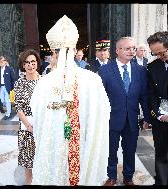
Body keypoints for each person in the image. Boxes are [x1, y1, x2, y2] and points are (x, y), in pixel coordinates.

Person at [30, 15, 111, 186]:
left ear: (54, 53)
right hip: (83, 144)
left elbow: (36, 117)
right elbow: (103, 115)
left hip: (54, 147)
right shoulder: (92, 79)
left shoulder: (44, 82)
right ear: (74, 50)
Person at [98, 37, 150, 186]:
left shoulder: (140, 70)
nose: (132, 51)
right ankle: (111, 176)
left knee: (130, 150)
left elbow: (143, 95)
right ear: (117, 50)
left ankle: (128, 177)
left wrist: (146, 117)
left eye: (133, 48)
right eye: (127, 48)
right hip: (111, 119)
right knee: (111, 150)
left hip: (132, 118)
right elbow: (100, 97)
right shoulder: (105, 70)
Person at [14, 49, 41, 185]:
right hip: (26, 126)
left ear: (37, 63)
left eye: (33, 62)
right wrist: (29, 126)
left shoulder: (43, 82)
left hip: (42, 124)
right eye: (27, 63)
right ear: (23, 65)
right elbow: (18, 109)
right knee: (27, 159)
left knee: (41, 157)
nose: (30, 65)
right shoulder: (19, 83)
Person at [146, 31, 168, 185]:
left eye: (162, 52)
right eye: (156, 54)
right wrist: (159, 115)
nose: (160, 56)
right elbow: (151, 95)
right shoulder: (152, 67)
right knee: (161, 156)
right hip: (161, 119)